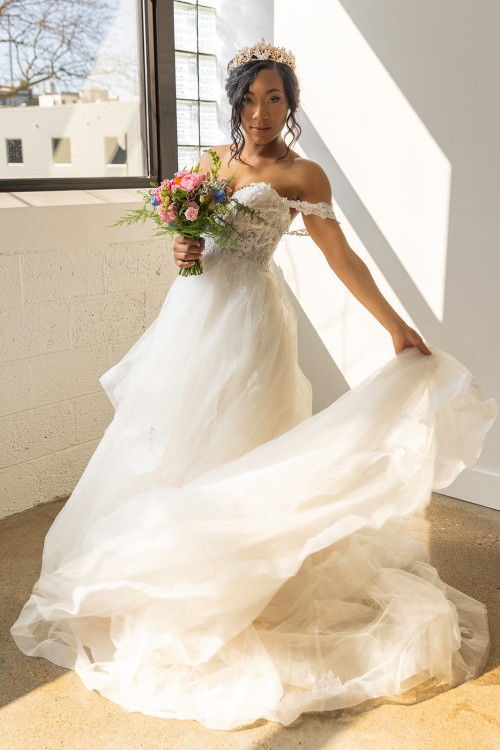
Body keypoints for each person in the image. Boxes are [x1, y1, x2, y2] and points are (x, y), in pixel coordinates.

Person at [10, 40, 497, 732]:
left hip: (252, 326)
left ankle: (247, 583)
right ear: (234, 100)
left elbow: (342, 259)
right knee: (174, 444)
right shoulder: (211, 164)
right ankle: (176, 577)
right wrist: (181, 245)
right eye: (250, 98)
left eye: (275, 99)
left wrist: (394, 325)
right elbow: (190, 242)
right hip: (192, 320)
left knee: (242, 451)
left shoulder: (304, 176)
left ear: (289, 106)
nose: (260, 111)